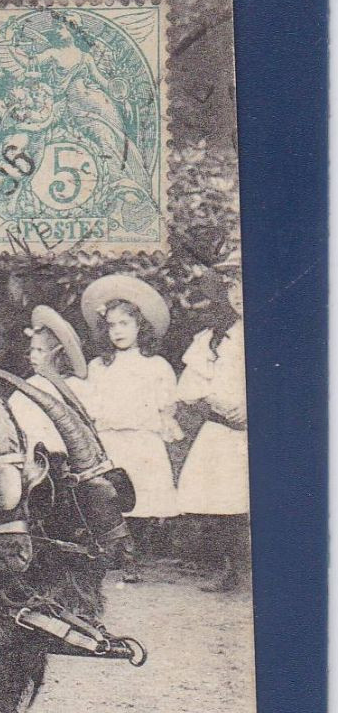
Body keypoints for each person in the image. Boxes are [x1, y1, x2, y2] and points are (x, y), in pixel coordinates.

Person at [79, 273, 180, 579]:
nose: (118, 331)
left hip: (141, 440)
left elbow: (166, 405)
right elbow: (90, 405)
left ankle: (138, 554)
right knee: (111, 496)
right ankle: (120, 554)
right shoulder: (98, 367)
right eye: (111, 325)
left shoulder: (155, 366)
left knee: (144, 494)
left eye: (125, 324)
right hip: (111, 440)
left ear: (140, 327)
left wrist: (161, 422)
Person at [175, 253, 249, 591]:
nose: (238, 292)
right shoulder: (217, 337)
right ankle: (228, 568)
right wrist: (214, 402)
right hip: (225, 428)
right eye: (233, 284)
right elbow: (192, 385)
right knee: (222, 498)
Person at [5, 305, 90, 456]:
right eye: (31, 350)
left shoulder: (75, 386)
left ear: (58, 354)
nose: (33, 356)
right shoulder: (28, 386)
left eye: (40, 351)